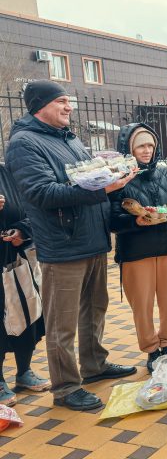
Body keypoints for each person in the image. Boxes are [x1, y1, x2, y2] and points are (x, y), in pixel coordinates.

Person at [6, 80, 137, 411]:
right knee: (61, 323)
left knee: (95, 309)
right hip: (62, 245)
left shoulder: (69, 138)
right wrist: (102, 190)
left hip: (93, 239)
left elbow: (89, 177)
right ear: (40, 105)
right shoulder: (24, 143)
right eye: (61, 101)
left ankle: (94, 365)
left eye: (69, 101)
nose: (69, 107)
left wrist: (113, 176)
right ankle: (65, 388)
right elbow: (42, 194)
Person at [109, 124, 167, 372]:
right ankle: (151, 349)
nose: (147, 150)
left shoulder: (165, 173)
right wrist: (135, 221)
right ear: (129, 149)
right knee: (142, 304)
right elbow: (111, 219)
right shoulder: (119, 178)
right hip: (136, 250)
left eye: (151, 145)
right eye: (141, 146)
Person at [0, 165, 50, 406]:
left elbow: (33, 209)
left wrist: (22, 230)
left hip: (17, 259)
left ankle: (24, 372)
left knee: (28, 313)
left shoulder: (8, 173)